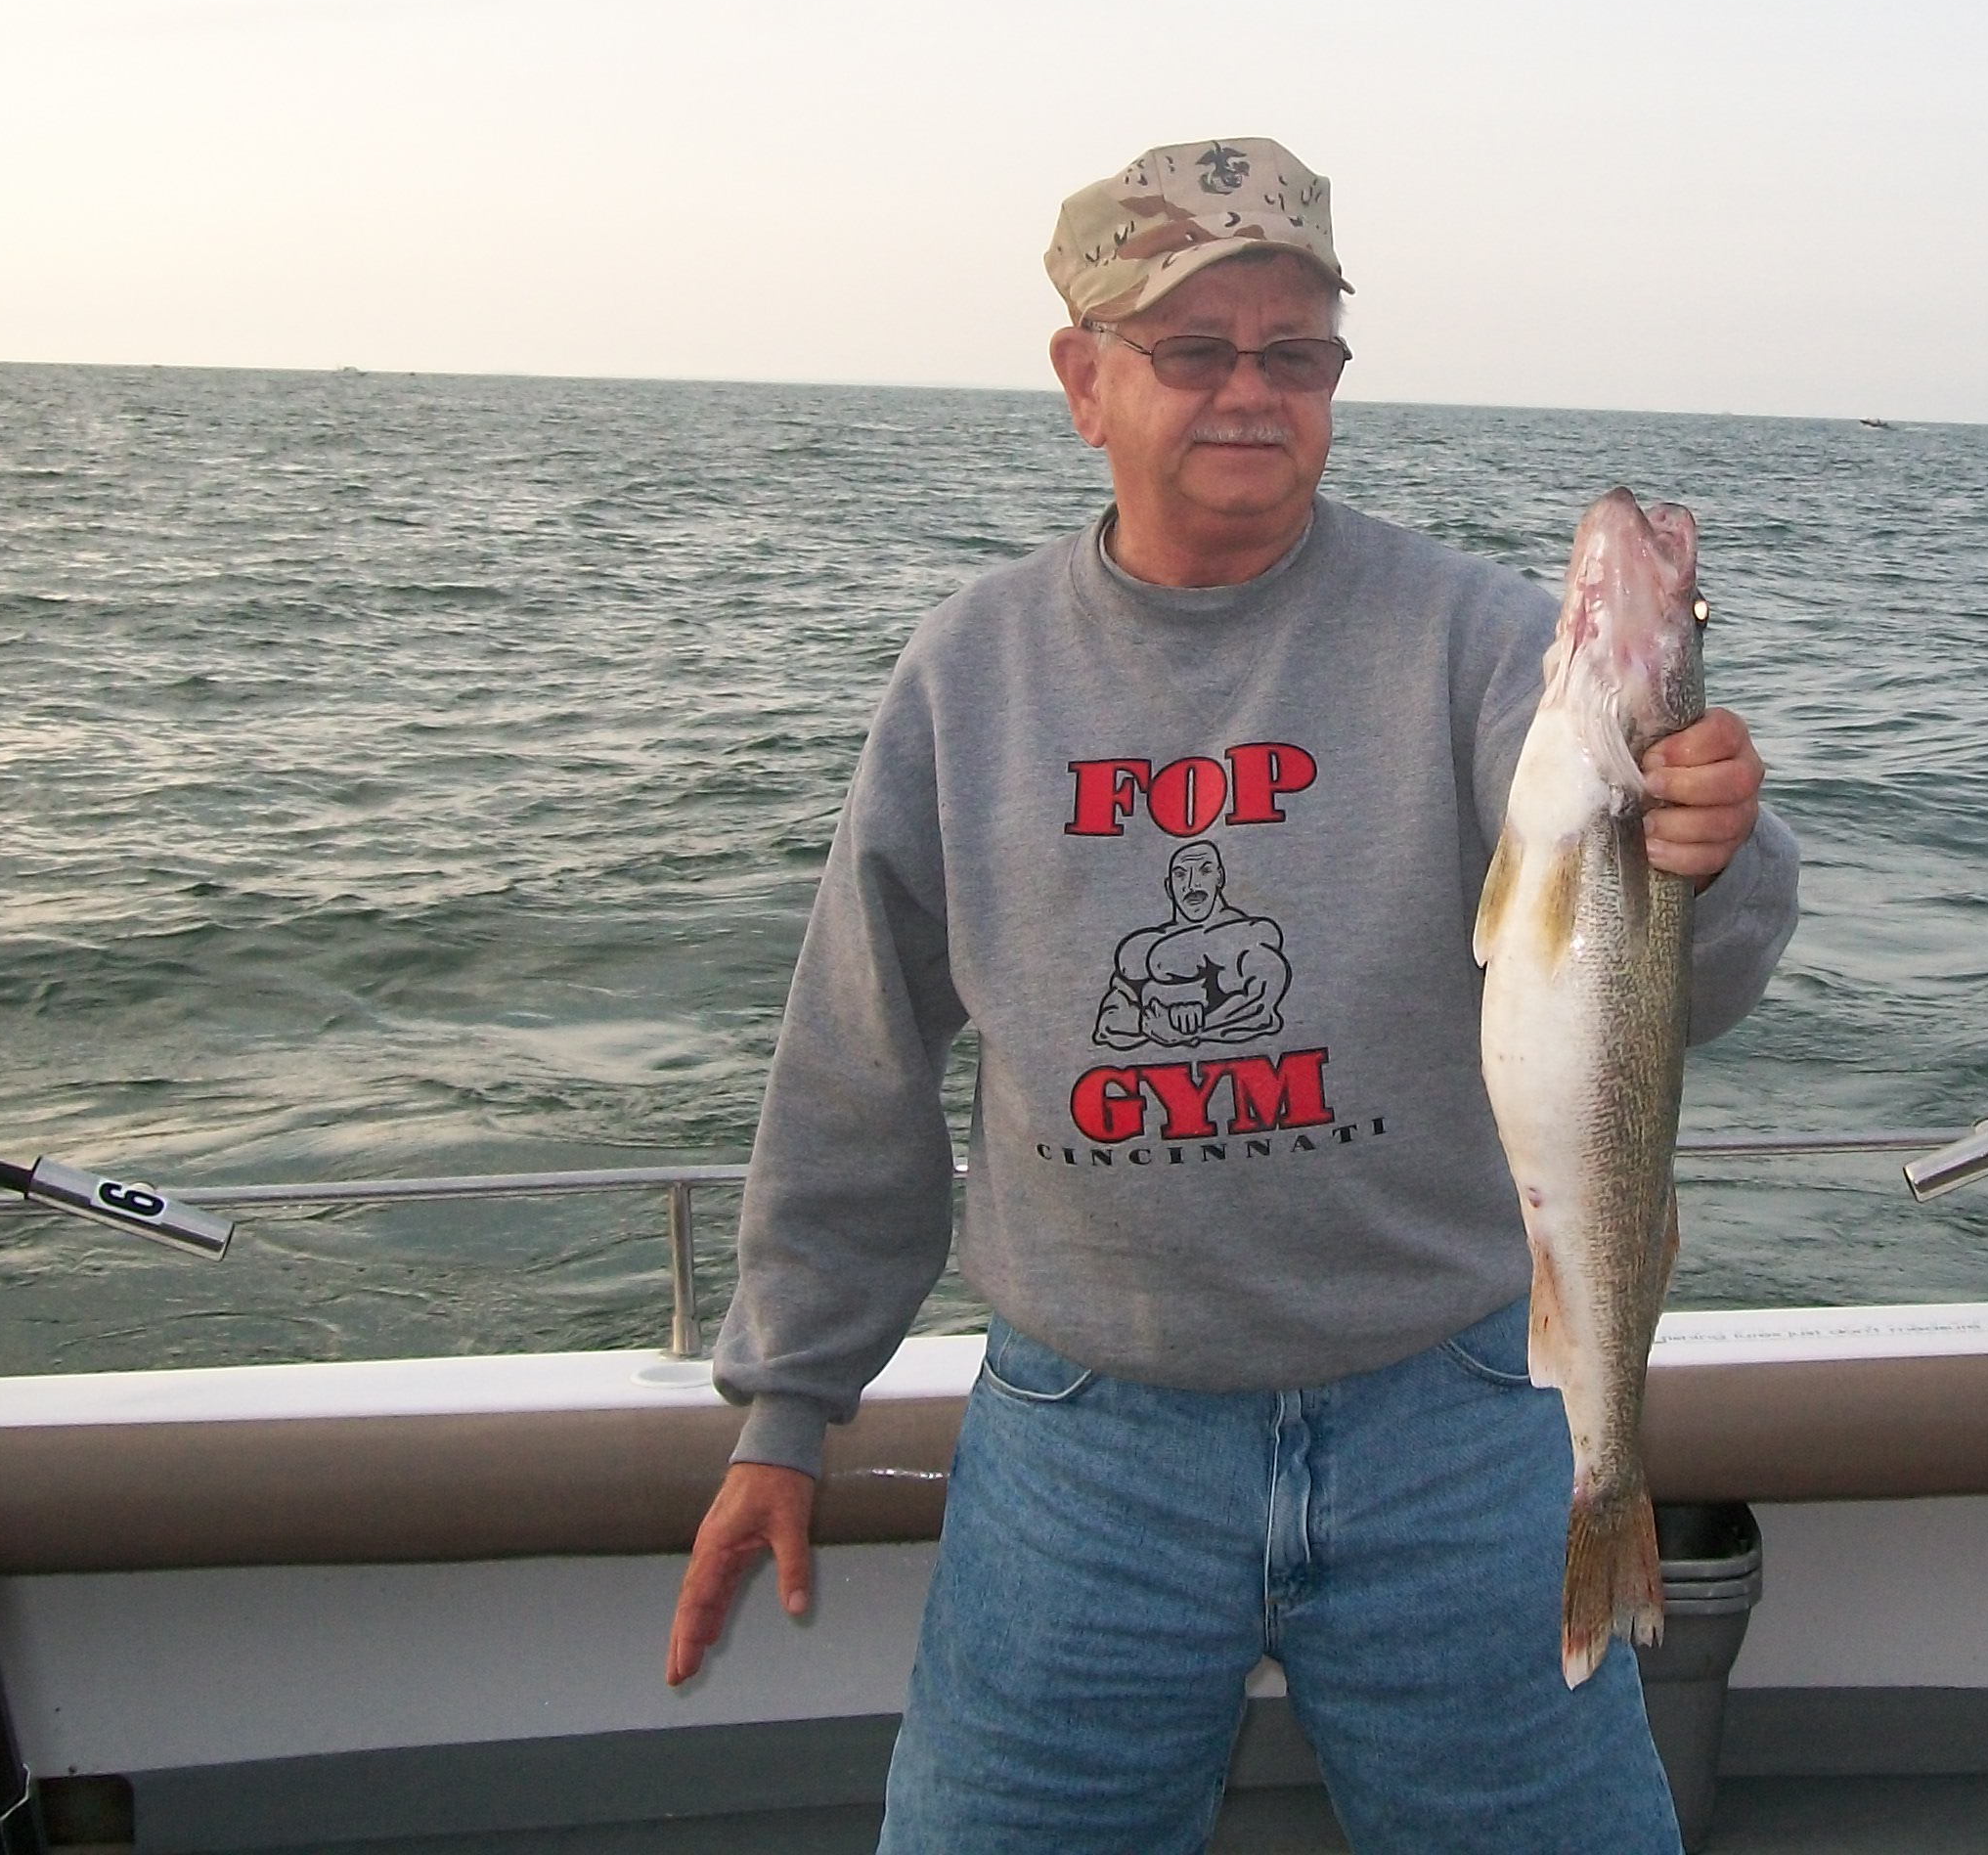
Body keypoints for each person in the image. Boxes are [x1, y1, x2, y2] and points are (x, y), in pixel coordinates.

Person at [665, 137, 1800, 1852]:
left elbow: (1662, 984)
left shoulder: (1491, 647)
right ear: (1083, 380)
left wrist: (1716, 839)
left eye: (1298, 354)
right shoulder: (969, 674)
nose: (1252, 393)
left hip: (1462, 1418)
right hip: (1085, 1447)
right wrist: (788, 1404)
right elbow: (857, 1059)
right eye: (1197, 351)